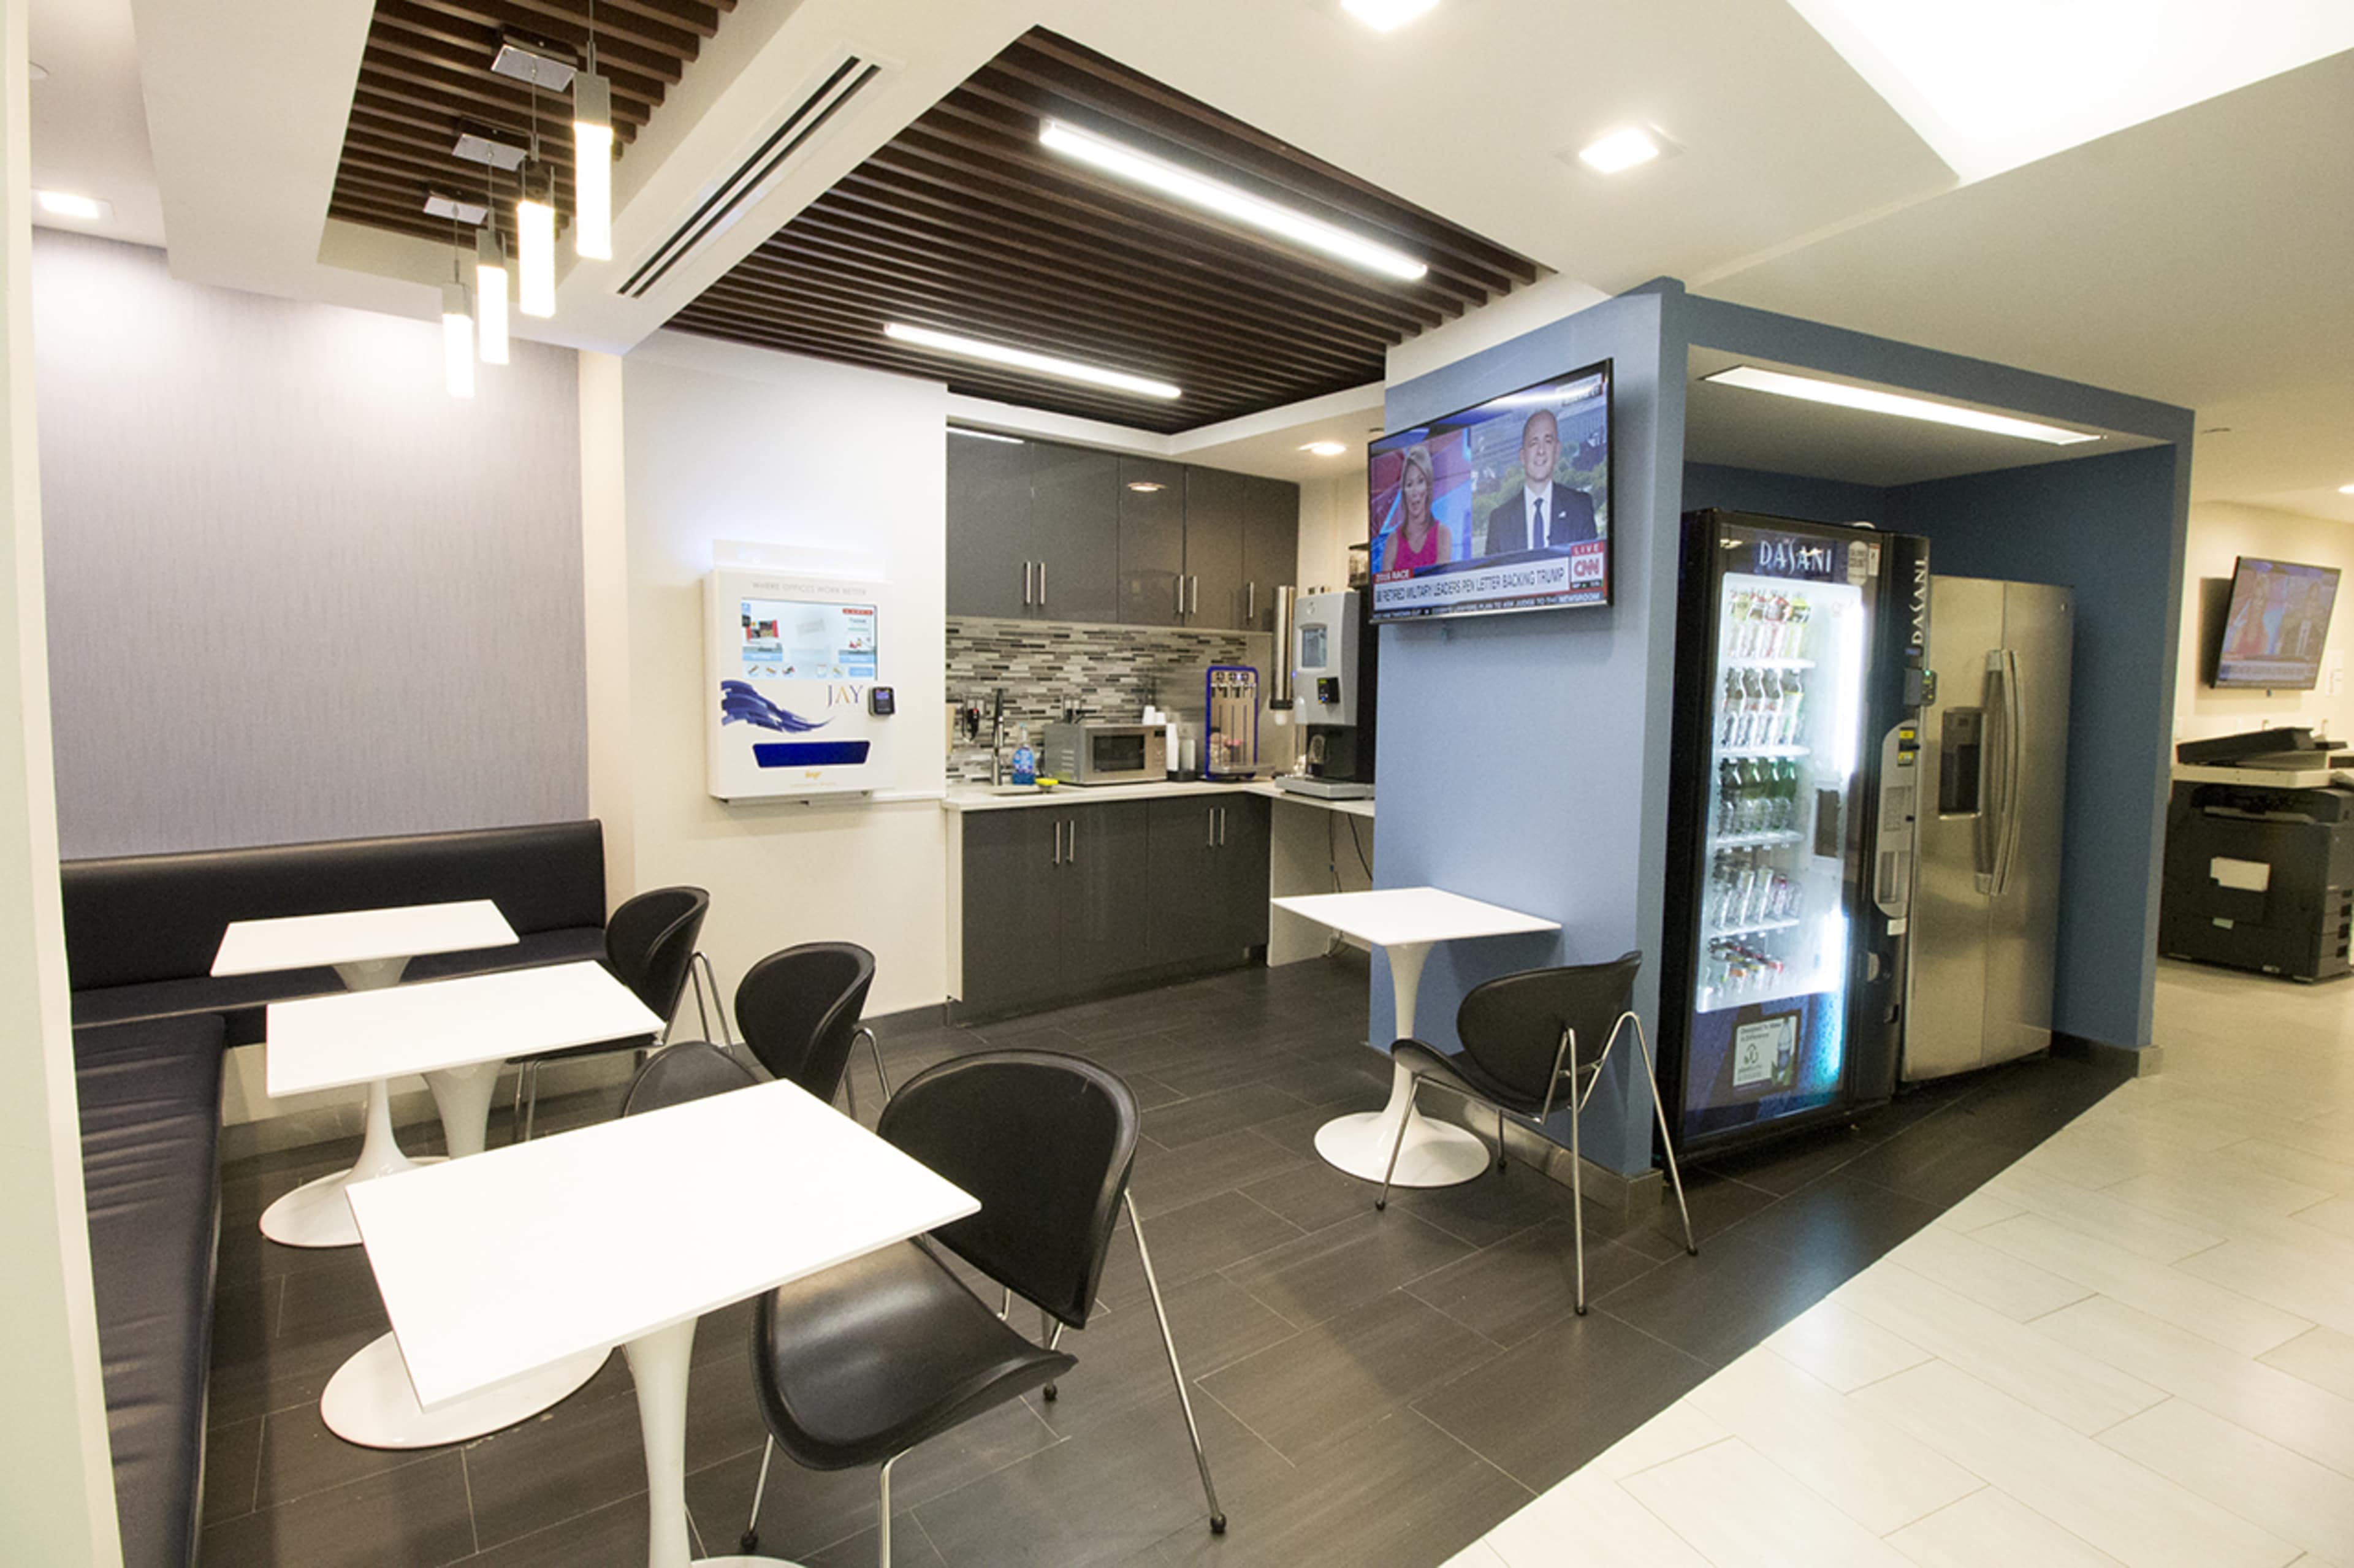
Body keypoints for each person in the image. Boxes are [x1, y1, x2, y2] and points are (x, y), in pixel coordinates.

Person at [1484, 408, 1596, 553]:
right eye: (1533, 443)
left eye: (1548, 441)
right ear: (1523, 456)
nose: (1541, 451)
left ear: (1557, 451)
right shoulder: (1500, 520)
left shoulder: (1580, 508)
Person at [1381, 444, 1452, 571]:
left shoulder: (1442, 534)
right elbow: (1386, 589)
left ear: (1428, 486)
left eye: (1420, 482)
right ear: (1404, 491)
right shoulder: (1393, 541)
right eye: (1409, 484)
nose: (1415, 492)